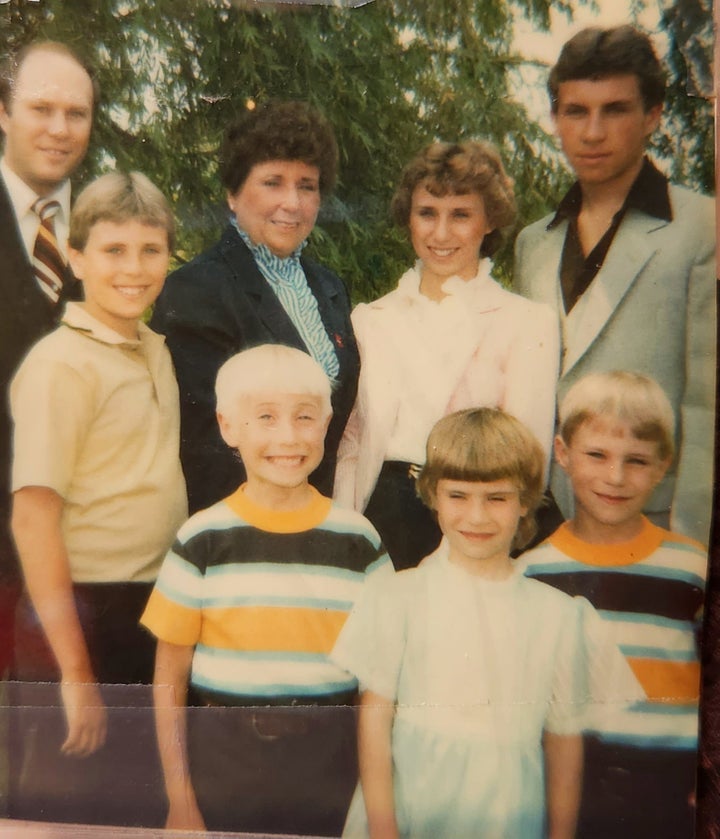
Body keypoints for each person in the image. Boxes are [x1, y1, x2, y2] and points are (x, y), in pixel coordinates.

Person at [333, 407, 640, 839]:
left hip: (507, 816)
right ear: (433, 495)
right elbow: (374, 725)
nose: (476, 517)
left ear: (525, 501)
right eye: (458, 496)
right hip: (411, 811)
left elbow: (564, 744)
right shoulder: (396, 596)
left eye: (497, 498)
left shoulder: (559, 616)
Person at [141, 344, 393, 836]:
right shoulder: (202, 539)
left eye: (304, 417)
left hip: (331, 765)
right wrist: (180, 799)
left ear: (325, 424)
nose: (288, 436)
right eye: (265, 417)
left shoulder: (359, 540)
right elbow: (169, 676)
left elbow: (379, 683)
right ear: (228, 426)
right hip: (225, 764)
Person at [9, 171, 187, 825]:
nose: (133, 269)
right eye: (113, 251)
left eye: (150, 250)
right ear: (76, 258)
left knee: (135, 803)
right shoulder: (62, 364)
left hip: (148, 604)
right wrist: (76, 672)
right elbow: (32, 519)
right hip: (77, 612)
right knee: (69, 806)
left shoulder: (156, 349)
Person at [514, 25, 715, 546]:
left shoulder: (700, 227)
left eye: (616, 109)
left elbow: (706, 407)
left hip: (654, 524)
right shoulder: (534, 242)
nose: (593, 131)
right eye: (576, 111)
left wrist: (690, 551)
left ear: (652, 115)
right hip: (545, 527)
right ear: (556, 118)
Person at [334, 140, 559, 570]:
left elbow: (530, 461)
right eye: (427, 213)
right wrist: (348, 530)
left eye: (460, 215)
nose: (440, 233)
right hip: (383, 516)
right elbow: (354, 444)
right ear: (409, 218)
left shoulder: (526, 322)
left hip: (473, 517)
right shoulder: (371, 318)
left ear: (489, 221)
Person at [520, 371, 706, 839]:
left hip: (675, 792)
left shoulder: (692, 568)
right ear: (562, 454)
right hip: (571, 793)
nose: (615, 477)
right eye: (596, 454)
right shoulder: (532, 573)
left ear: (665, 464)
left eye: (637, 460)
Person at [150, 100, 360, 514]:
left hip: (320, 519)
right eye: (273, 182)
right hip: (240, 526)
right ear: (232, 193)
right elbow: (206, 443)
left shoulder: (329, 287)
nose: (293, 203)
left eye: (307, 185)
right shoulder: (196, 289)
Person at [0, 40, 96, 676]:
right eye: (41, 109)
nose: (59, 130)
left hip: (69, 547)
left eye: (77, 113)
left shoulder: (101, 230)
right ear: (4, 113)